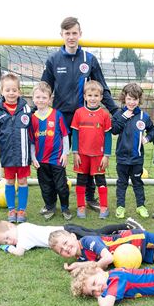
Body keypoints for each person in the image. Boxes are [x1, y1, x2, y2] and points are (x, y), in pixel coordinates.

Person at [41, 16, 119, 213]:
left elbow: (102, 87)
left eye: (74, 33)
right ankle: (52, 201)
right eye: (67, 33)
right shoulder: (53, 59)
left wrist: (116, 110)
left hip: (85, 117)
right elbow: (44, 88)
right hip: (59, 117)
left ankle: (89, 197)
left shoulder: (89, 59)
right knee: (56, 158)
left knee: (88, 154)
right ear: (61, 35)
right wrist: (36, 111)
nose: (71, 37)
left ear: (80, 34)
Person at [0, 73, 34, 224]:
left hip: (23, 153)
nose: (11, 93)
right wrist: (0, 144)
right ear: (2, 91)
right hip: (7, 153)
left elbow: (32, 129)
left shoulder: (26, 109)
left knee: (22, 181)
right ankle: (11, 209)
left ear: (19, 91)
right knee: (8, 181)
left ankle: (21, 209)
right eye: (8, 90)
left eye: (14, 90)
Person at [0, 217, 144, 257]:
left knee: (100, 237)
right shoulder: (23, 228)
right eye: (6, 241)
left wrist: (7, 248)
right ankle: (125, 226)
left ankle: (129, 230)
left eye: (8, 238)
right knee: (96, 232)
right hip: (67, 229)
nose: (11, 241)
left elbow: (19, 252)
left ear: (11, 227)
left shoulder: (22, 235)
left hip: (68, 236)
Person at [111, 83, 154, 219]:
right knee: (122, 183)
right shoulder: (119, 114)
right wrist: (124, 117)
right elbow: (114, 130)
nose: (131, 102)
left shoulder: (144, 116)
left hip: (137, 158)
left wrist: (147, 138)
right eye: (129, 99)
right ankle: (120, 207)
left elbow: (153, 131)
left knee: (137, 182)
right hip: (122, 158)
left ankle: (141, 206)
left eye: (134, 99)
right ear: (124, 98)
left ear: (139, 100)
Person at [30, 82, 71, 221]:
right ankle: (50, 206)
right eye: (38, 97)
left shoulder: (57, 115)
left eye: (44, 97)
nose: (41, 100)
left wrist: (65, 153)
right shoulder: (31, 118)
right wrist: (33, 158)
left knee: (61, 186)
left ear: (49, 99)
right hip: (41, 161)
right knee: (46, 186)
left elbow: (65, 136)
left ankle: (65, 207)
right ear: (33, 98)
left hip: (57, 159)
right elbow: (31, 141)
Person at [70, 81, 112, 219]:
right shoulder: (79, 113)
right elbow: (75, 134)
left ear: (100, 97)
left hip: (98, 155)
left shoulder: (105, 115)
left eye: (96, 95)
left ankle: (104, 207)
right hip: (82, 155)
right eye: (90, 95)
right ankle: (81, 206)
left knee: (100, 180)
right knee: (81, 179)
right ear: (85, 96)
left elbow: (108, 136)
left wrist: (106, 155)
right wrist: (75, 152)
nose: (93, 98)